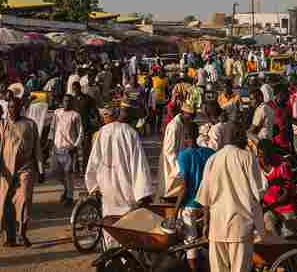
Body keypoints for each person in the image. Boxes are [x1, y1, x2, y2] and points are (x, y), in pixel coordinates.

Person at [196, 126, 265, 272]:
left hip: (217, 227)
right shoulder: (248, 157)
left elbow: (205, 198)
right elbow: (259, 192)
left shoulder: (212, 159)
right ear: (242, 139)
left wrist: (206, 224)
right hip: (241, 227)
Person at [85, 106, 153, 249]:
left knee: (110, 227)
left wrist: (93, 186)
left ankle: (111, 258)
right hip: (127, 189)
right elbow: (138, 164)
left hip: (107, 189)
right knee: (128, 230)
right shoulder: (130, 133)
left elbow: (93, 162)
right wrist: (143, 193)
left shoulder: (102, 133)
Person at [0, 96, 43, 247]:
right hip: (5, 171)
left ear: (21, 107)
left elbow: (37, 148)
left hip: (26, 168)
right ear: (7, 109)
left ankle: (22, 233)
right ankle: (8, 236)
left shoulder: (30, 124)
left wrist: (40, 169)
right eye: (10, 107)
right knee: (5, 204)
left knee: (24, 199)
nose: (13, 110)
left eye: (15, 107)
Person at [174, 123, 215, 272]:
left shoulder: (184, 155)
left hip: (191, 205)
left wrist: (174, 212)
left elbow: (184, 187)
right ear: (197, 135)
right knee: (210, 239)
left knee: (190, 240)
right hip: (208, 204)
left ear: (185, 138)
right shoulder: (209, 152)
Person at [258, 140, 297, 238]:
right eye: (260, 155)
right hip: (269, 208)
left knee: (290, 239)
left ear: (272, 154)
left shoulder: (283, 166)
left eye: (266, 155)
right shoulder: (256, 166)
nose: (262, 158)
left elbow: (286, 196)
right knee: (270, 236)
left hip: (285, 207)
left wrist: (266, 208)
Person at [49, 95, 83, 206]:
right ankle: (66, 189)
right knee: (55, 172)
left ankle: (69, 196)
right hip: (57, 147)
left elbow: (80, 132)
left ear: (72, 103)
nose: (67, 103)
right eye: (65, 101)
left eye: (69, 101)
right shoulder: (57, 112)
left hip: (69, 149)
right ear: (62, 102)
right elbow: (52, 128)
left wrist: (75, 146)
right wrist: (49, 141)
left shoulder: (75, 115)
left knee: (68, 173)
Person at [158, 102, 195, 201]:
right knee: (169, 189)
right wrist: (178, 167)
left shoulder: (183, 124)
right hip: (171, 162)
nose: (191, 118)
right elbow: (169, 150)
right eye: (189, 115)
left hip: (178, 159)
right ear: (183, 113)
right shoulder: (174, 126)